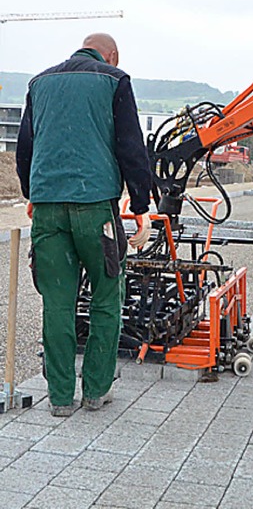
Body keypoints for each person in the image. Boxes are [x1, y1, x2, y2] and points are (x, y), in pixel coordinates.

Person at [16, 33, 152, 416]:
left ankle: (60, 398)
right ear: (111, 55)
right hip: (96, 208)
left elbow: (25, 148)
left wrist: (33, 194)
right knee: (107, 298)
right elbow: (130, 145)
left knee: (57, 303)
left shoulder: (39, 83)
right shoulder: (114, 79)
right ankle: (96, 391)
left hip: (47, 207)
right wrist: (140, 203)